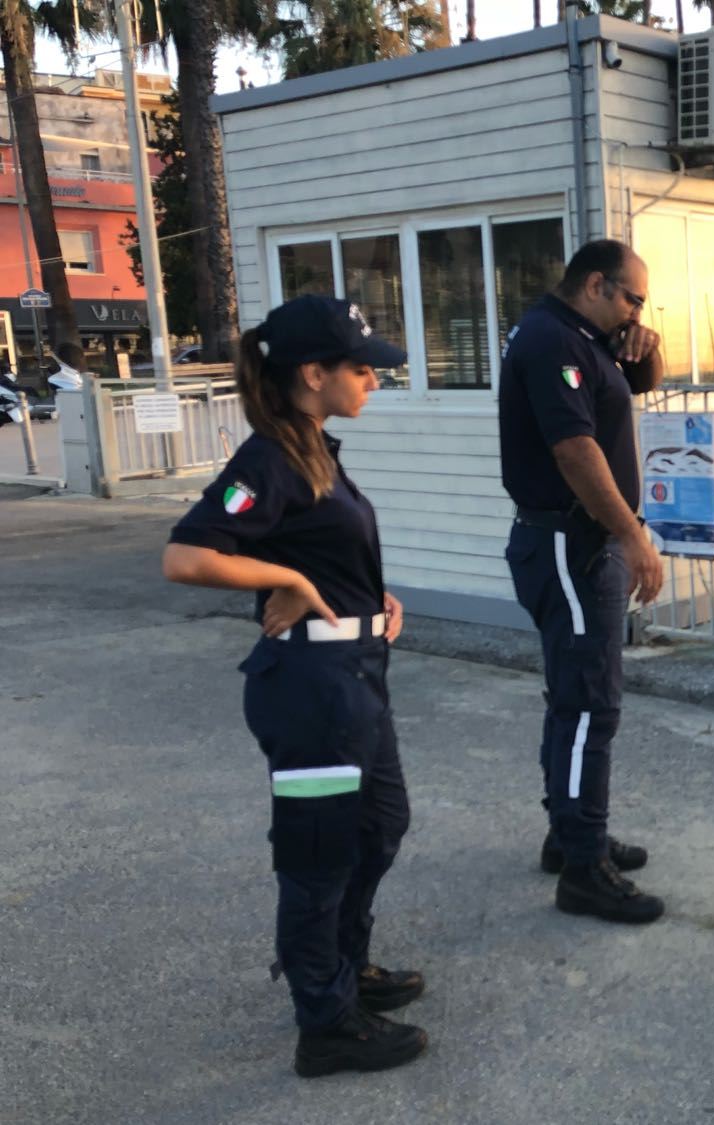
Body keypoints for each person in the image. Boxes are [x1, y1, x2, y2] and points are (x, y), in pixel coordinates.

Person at [162, 295, 427, 1078]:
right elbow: (187, 556)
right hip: (311, 690)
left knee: (381, 825)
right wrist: (290, 578)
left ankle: (347, 969)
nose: (373, 377)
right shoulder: (269, 459)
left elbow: (323, 545)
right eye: (359, 366)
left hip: (354, 673)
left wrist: (368, 600)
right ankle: (325, 1020)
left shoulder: (313, 446)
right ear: (312, 373)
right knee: (319, 855)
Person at [499, 239, 667, 924]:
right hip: (572, 545)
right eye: (633, 298)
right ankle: (582, 867)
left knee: (572, 697)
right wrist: (633, 535)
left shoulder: (584, 338)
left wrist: (645, 342)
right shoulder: (549, 340)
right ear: (596, 284)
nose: (636, 310)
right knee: (589, 704)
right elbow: (574, 450)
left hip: (577, 545)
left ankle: (570, 832)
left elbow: (634, 389)